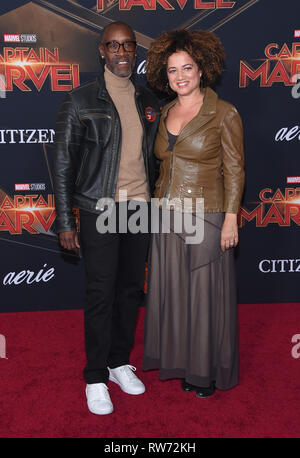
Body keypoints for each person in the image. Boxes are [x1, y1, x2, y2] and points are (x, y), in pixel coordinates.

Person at [53, 21, 160, 415]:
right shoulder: (80, 99)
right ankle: (95, 376)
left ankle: (118, 363)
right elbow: (63, 163)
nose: (121, 53)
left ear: (136, 51)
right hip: (99, 209)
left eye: (127, 46)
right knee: (101, 293)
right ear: (101, 51)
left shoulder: (149, 99)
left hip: (139, 209)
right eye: (112, 46)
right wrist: (66, 220)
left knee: (131, 290)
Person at [143, 29, 245, 397]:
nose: (180, 76)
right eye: (172, 70)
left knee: (204, 297)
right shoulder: (166, 110)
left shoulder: (223, 113)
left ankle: (205, 373)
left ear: (202, 70)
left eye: (187, 68)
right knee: (175, 294)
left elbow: (234, 170)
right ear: (164, 75)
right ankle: (182, 362)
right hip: (166, 216)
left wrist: (231, 218)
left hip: (207, 215)